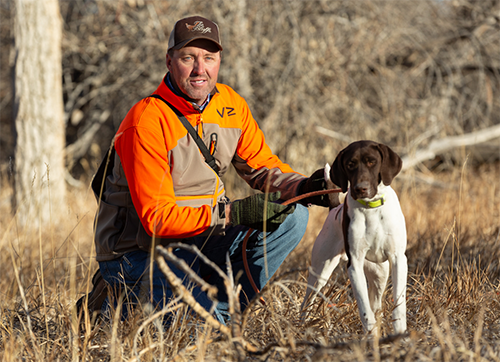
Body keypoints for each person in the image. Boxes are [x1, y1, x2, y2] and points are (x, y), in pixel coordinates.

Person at [83, 15, 336, 325]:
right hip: (141, 252)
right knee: (192, 338)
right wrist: (232, 214)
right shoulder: (146, 121)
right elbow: (157, 220)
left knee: (294, 216)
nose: (199, 69)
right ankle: (111, 303)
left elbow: (262, 168)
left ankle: (222, 314)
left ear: (219, 60)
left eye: (209, 58)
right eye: (188, 57)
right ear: (169, 61)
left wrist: (307, 187)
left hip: (204, 237)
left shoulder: (231, 105)